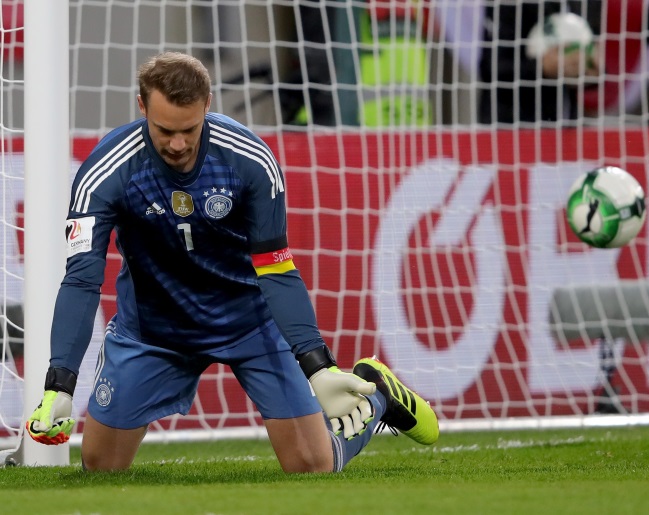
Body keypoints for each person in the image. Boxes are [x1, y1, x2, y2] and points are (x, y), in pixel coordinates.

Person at [25, 52, 439, 472]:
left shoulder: (249, 160)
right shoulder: (106, 171)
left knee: (313, 465)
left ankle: (378, 394)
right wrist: (60, 383)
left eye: (189, 129)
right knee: (100, 466)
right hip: (154, 331)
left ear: (208, 104)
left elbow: (277, 270)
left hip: (250, 321)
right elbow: (81, 281)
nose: (178, 144)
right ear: (141, 107)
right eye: (164, 130)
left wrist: (319, 367)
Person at [478, 0, 601, 125]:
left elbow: (601, 67)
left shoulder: (587, 4)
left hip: (565, 124)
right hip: (511, 123)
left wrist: (592, 69)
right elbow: (491, 69)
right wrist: (541, 67)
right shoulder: (509, 5)